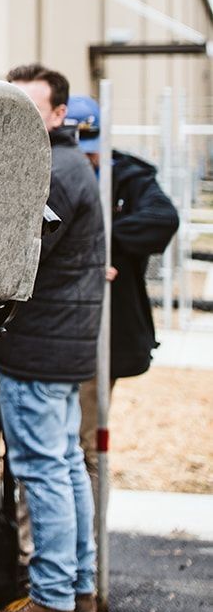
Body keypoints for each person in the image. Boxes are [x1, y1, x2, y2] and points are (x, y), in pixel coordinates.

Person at [0, 64, 105, 612]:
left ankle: (52, 605)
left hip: (40, 350)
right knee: (66, 466)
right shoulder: (70, 164)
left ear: (59, 115)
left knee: (43, 471)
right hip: (60, 346)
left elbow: (13, 253)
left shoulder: (51, 169)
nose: (21, 117)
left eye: (34, 108)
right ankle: (78, 591)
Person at [66, 95, 179, 495]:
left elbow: (162, 219)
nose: (89, 160)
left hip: (102, 331)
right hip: (56, 328)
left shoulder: (129, 176)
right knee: (58, 448)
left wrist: (103, 243)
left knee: (85, 445)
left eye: (94, 152)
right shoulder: (54, 172)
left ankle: (87, 548)